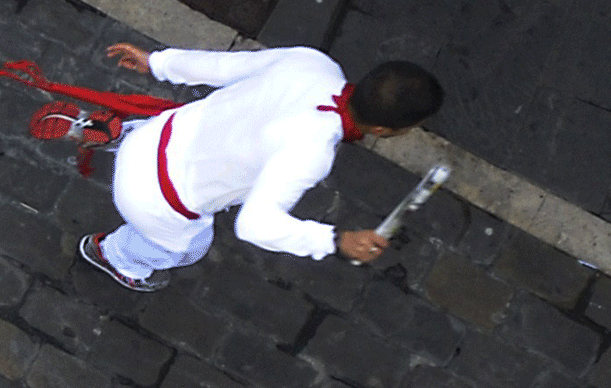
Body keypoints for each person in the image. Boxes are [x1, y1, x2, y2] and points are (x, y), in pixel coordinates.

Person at [78, 44, 443, 292]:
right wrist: (334, 241)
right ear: (382, 131)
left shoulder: (311, 62)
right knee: (190, 248)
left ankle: (114, 134)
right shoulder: (313, 151)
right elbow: (254, 225)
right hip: (153, 202)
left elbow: (221, 67)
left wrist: (158, 62)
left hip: (152, 137)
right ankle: (114, 256)